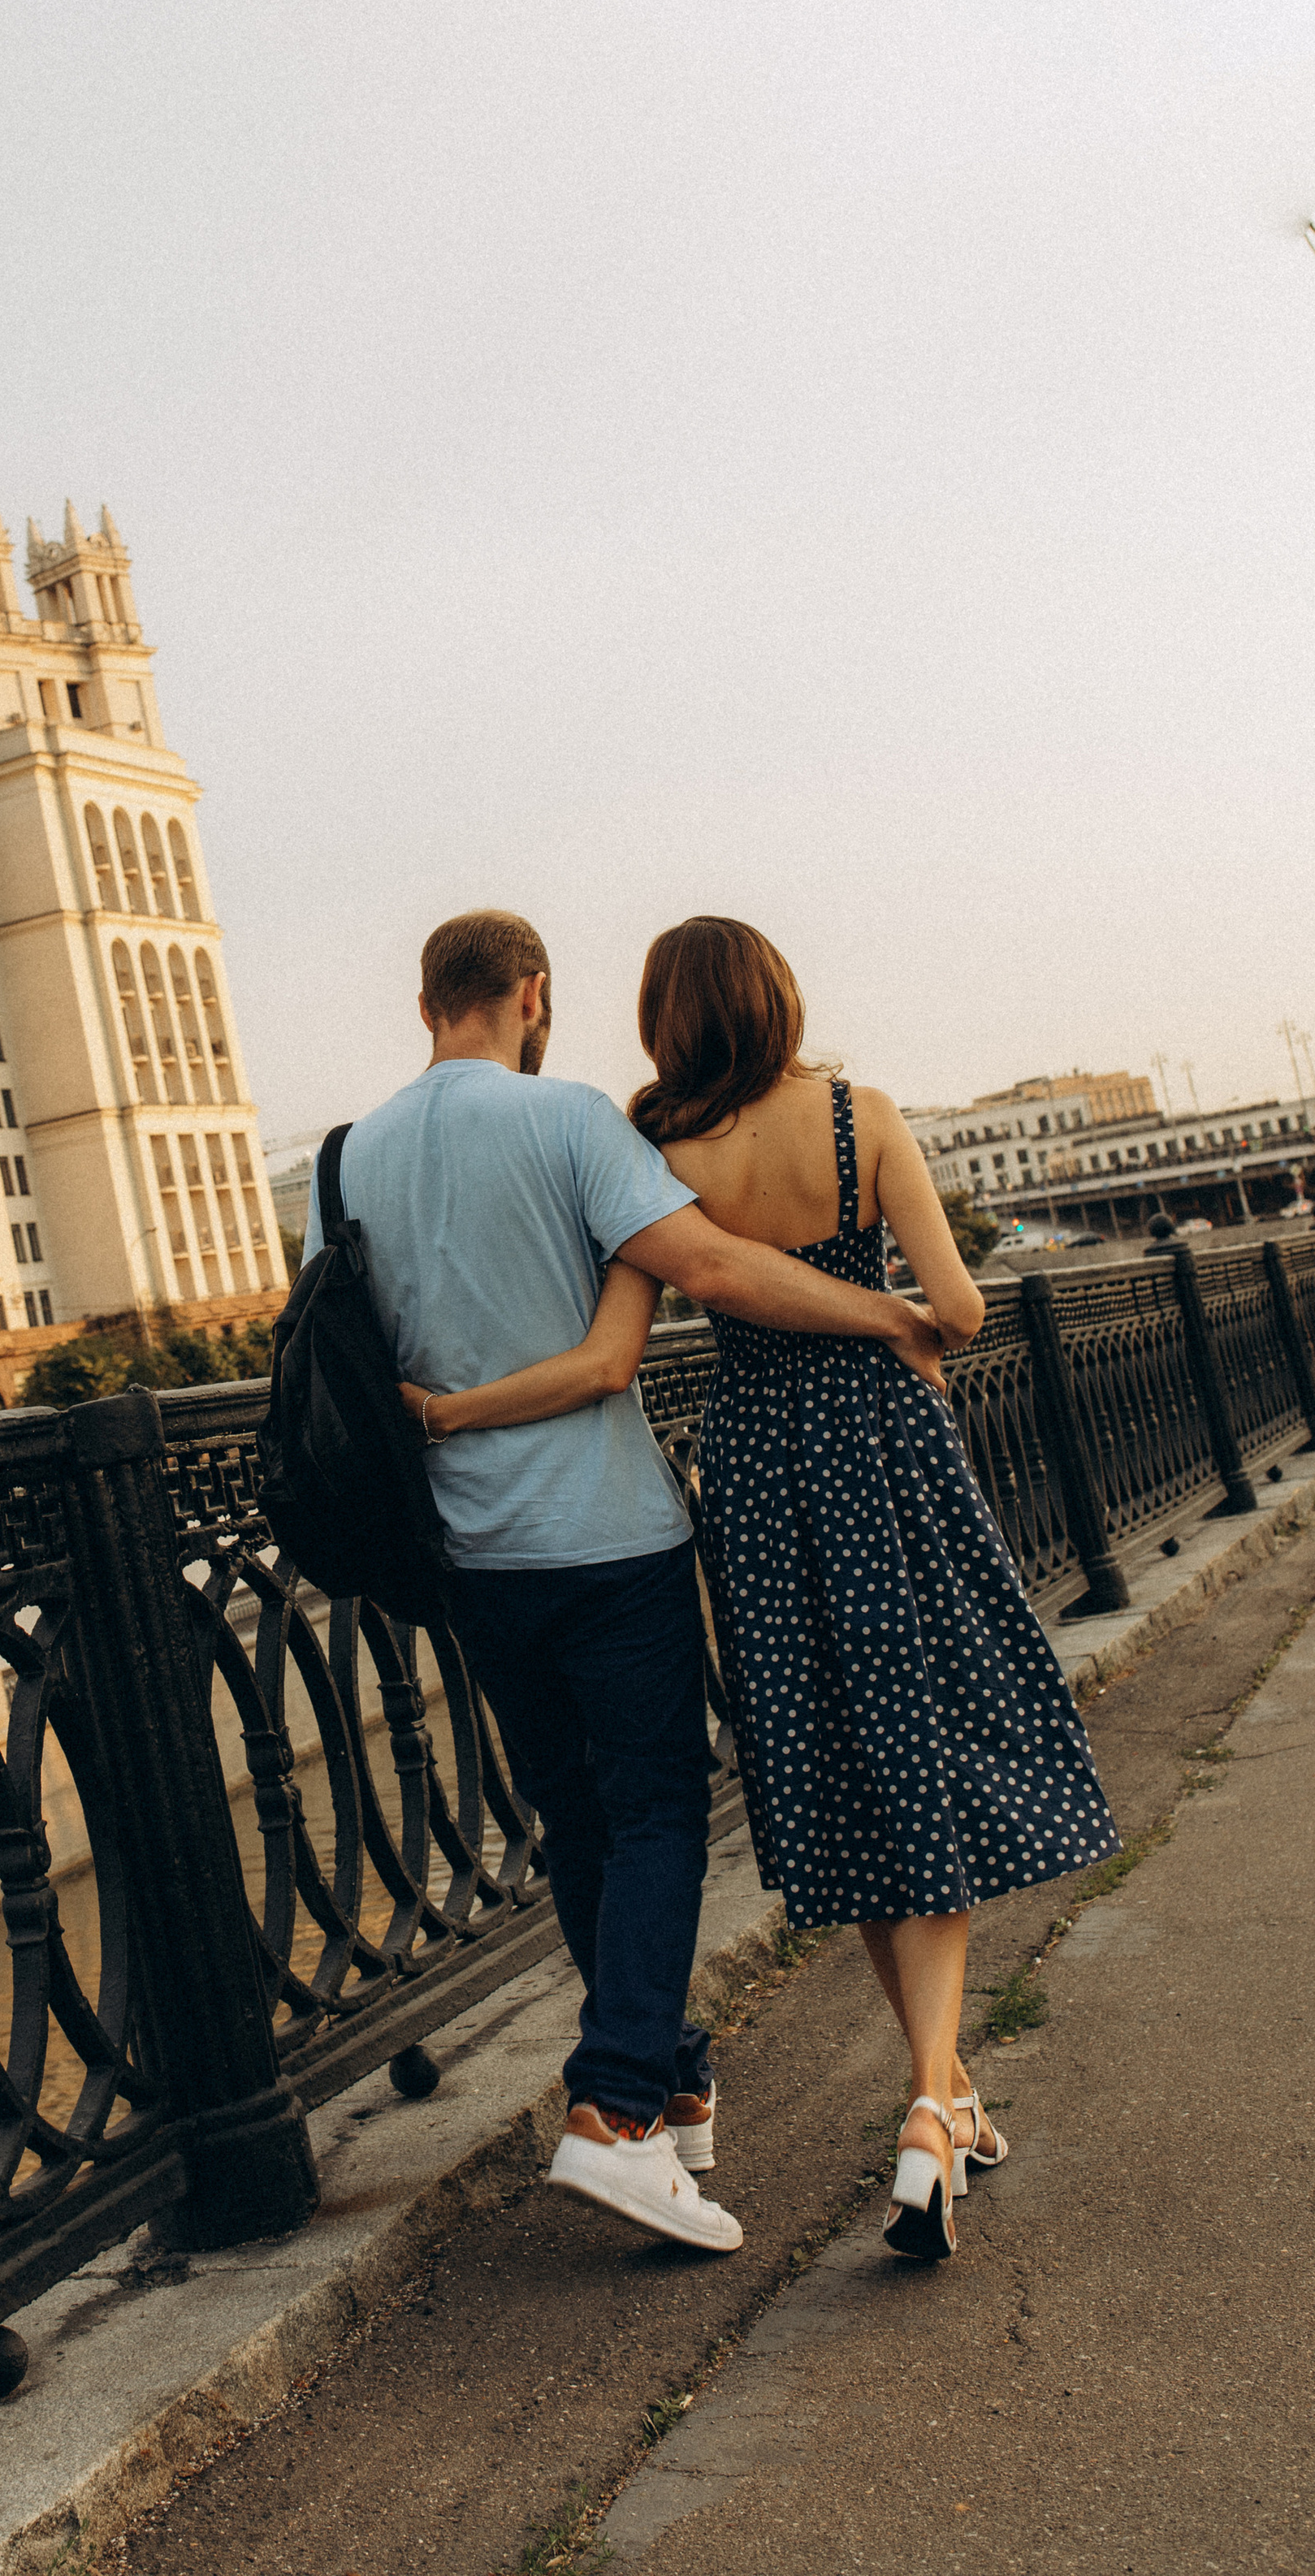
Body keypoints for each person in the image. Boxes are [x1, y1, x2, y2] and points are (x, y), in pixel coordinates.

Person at [408, 916, 1119, 2266]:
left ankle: (948, 2095)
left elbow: (619, 1345)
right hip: (885, 1449)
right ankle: (931, 2109)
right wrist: (900, 1318)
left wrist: (448, 1411)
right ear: (781, 998)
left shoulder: (655, 1149)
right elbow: (961, 1310)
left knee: (848, 1762)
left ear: (662, 1020)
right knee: (928, 1744)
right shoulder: (862, 1118)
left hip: (755, 1469)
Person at [308, 910, 948, 2256]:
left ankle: (670, 2081)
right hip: (604, 1534)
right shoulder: (571, 1121)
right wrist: (891, 1313)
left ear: (427, 1004)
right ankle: (613, 2114)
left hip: (469, 1551)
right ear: (532, 996)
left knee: (579, 1823)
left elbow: (349, 1353)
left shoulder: (346, 1158)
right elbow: (705, 1267)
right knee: (658, 1813)